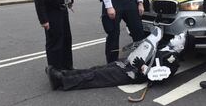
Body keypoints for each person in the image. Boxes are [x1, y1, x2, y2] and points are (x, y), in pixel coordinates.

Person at [46, 27, 187, 91]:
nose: (176, 37)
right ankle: (64, 74)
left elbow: (160, 77)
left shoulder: (173, 60)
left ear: (182, 47)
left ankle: (61, 81)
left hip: (133, 73)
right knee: (96, 69)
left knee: (97, 76)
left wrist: (143, 67)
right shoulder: (165, 47)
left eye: (180, 38)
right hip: (127, 64)